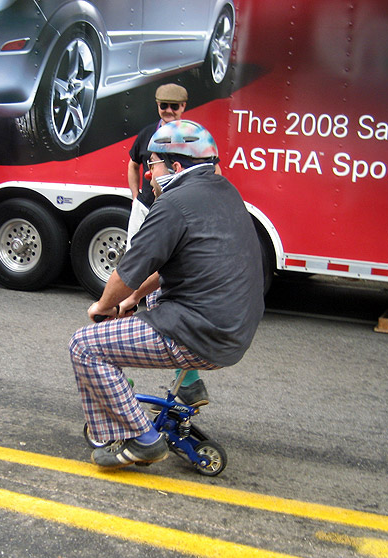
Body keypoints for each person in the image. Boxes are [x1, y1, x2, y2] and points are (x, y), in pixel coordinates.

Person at [70, 120, 264, 469]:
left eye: (153, 164)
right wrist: (130, 301)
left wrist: (103, 306)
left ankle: (143, 440)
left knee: (85, 346)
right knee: (156, 299)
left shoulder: (173, 204)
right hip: (235, 328)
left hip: (202, 334)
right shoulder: (225, 192)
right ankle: (189, 386)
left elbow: (129, 270)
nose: (148, 174)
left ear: (175, 167)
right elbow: (168, 268)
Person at [126, 83, 221, 406]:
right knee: (129, 283)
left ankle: (189, 379)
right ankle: (184, 381)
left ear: (184, 107)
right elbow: (132, 163)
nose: (168, 111)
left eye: (174, 107)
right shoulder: (146, 136)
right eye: (163, 106)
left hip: (175, 217)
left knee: (156, 292)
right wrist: (136, 195)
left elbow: (215, 173)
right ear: (157, 106)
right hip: (148, 211)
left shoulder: (194, 138)